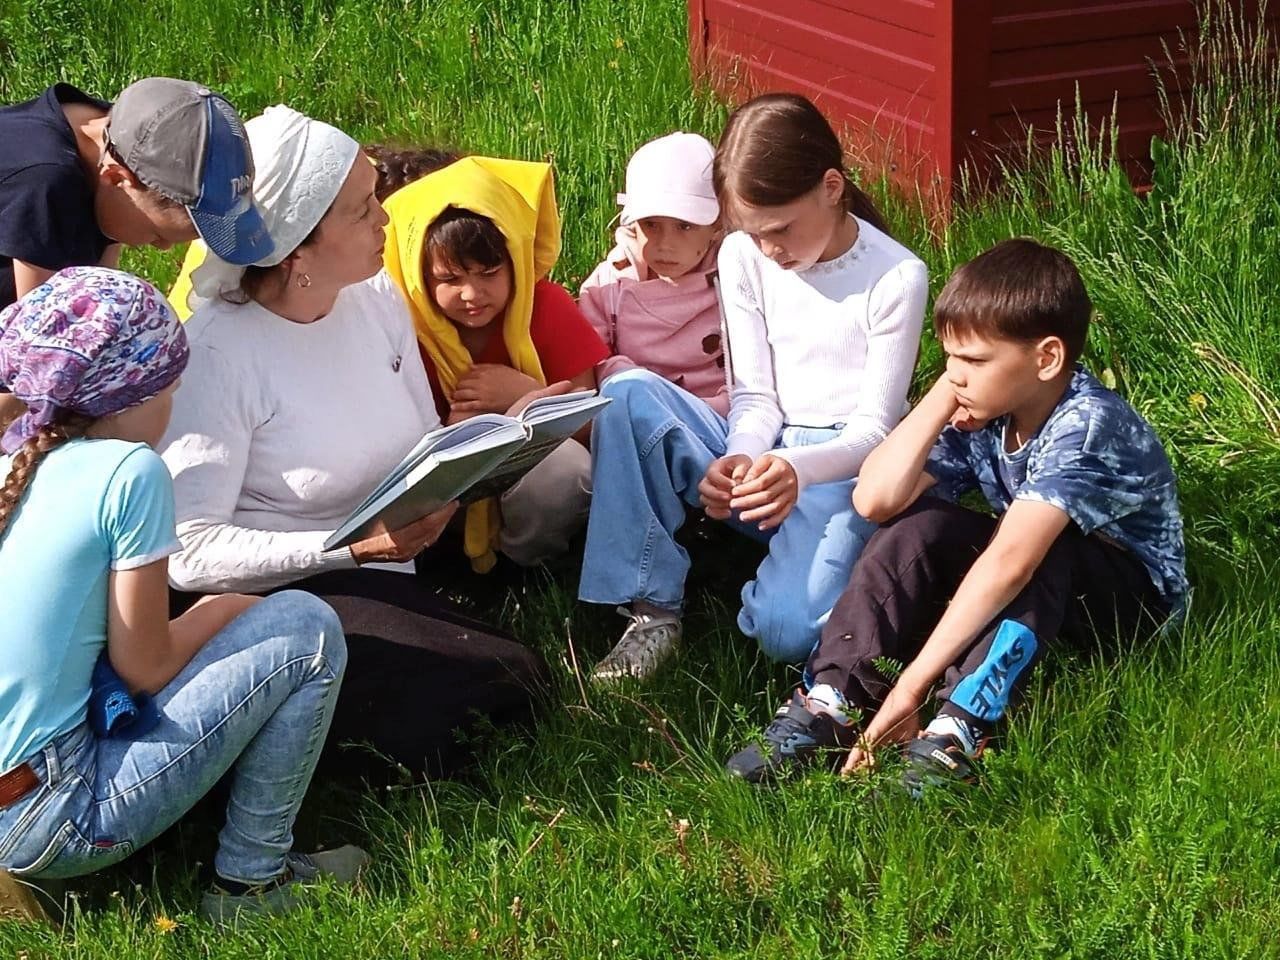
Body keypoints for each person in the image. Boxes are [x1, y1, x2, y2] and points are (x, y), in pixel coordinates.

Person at [159, 107, 548, 776]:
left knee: (517, 680)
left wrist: (465, 470)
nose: (387, 220)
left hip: (384, 563)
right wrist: (350, 546)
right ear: (300, 248)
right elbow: (187, 554)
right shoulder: (219, 357)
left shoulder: (372, 295)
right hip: (281, 591)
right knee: (488, 692)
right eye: (364, 208)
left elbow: (423, 440)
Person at [725, 239, 1187, 790]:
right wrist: (942, 396)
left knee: (1039, 550)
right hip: (1038, 585)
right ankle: (833, 701)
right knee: (918, 525)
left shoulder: (1086, 424)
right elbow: (875, 499)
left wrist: (910, 688)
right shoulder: (987, 409)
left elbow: (1011, 562)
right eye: (948, 359)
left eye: (973, 361)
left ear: (1047, 359)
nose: (957, 375)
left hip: (1128, 608)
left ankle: (959, 728)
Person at [0, 267, 363, 925]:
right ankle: (252, 885)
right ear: (131, 393)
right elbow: (146, 666)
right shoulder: (128, 471)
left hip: (13, 790)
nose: (174, 404)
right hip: (60, 808)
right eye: (171, 386)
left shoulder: (15, 455)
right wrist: (221, 609)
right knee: (307, 629)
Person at [577, 93, 929, 681]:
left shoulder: (896, 275)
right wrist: (740, 456)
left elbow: (875, 430)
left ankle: (801, 568)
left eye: (781, 229)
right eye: (753, 231)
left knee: (785, 634)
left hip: (839, 467)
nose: (770, 249)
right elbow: (755, 395)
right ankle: (652, 606)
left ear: (832, 187)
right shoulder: (744, 254)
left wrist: (794, 470)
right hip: (764, 448)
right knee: (630, 393)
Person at [380, 156, 609, 572]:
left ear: (515, 263)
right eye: (450, 279)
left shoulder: (547, 308)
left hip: (523, 487)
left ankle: (525, 564)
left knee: (567, 470)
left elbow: (594, 424)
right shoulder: (404, 327)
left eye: (489, 273)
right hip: (439, 495)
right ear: (419, 277)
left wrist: (522, 396)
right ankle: (435, 561)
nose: (472, 294)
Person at [0, 76, 269, 430]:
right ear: (116, 177)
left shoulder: (127, 133)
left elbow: (98, 300)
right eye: (159, 234)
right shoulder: (44, 184)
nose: (161, 248)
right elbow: (48, 374)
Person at [578, 132, 728, 416]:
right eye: (651, 224)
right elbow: (591, 358)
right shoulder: (609, 284)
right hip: (632, 412)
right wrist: (624, 377)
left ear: (717, 223)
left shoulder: (734, 276)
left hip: (718, 419)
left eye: (685, 226)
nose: (665, 244)